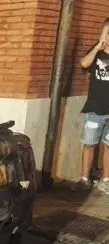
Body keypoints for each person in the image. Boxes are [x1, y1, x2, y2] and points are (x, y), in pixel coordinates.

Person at [73, 18, 109, 193]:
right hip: (95, 108)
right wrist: (97, 47)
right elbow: (83, 63)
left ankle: (106, 180)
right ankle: (84, 179)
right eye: (108, 33)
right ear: (103, 34)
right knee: (89, 144)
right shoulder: (97, 54)